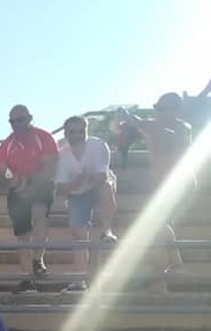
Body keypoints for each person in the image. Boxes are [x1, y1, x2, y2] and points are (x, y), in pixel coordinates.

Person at [120, 93, 191, 285]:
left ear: (176, 110)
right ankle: (175, 265)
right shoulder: (152, 126)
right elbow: (128, 131)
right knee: (161, 225)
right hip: (160, 186)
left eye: (163, 109)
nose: (158, 112)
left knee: (157, 224)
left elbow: (174, 139)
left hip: (180, 184)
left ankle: (164, 275)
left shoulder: (183, 128)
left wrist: (141, 123)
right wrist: (125, 121)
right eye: (157, 108)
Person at [0, 105, 59, 292]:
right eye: (12, 121)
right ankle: (26, 276)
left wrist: (29, 182)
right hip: (18, 190)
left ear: (29, 118)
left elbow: (50, 167)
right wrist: (12, 181)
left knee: (39, 214)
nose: (16, 124)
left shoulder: (43, 136)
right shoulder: (7, 144)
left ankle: (38, 258)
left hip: (41, 185)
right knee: (22, 234)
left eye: (20, 120)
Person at [56, 115, 117, 292]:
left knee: (106, 186)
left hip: (97, 187)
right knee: (78, 235)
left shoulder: (98, 145)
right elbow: (60, 187)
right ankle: (80, 279)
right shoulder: (62, 153)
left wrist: (80, 181)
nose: (77, 135)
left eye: (81, 131)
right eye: (72, 132)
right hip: (76, 194)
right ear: (66, 133)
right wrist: (76, 183)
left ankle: (107, 231)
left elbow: (101, 177)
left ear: (87, 131)